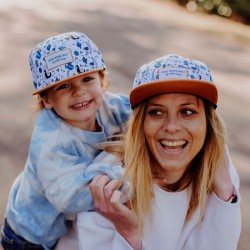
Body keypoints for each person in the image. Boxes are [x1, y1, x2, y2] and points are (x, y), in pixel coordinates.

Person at [57, 54, 241, 250]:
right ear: (140, 124)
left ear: (208, 123)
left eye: (187, 112)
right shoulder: (109, 181)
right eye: (156, 112)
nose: (171, 127)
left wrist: (225, 195)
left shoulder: (220, 173)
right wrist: (129, 235)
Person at [0, 31, 131, 250]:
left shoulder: (110, 106)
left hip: (61, 224)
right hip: (30, 233)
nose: (79, 91)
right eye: (63, 85)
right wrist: (116, 159)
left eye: (87, 79)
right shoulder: (51, 143)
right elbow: (69, 198)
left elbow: (141, 119)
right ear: (47, 99)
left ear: (102, 82)